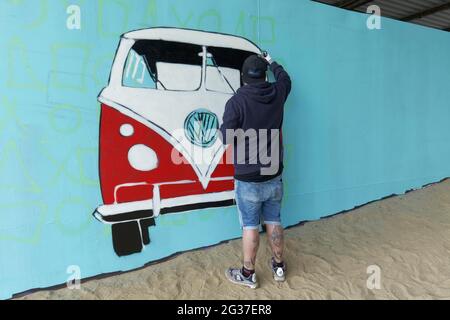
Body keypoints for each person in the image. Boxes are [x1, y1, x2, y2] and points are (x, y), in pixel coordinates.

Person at [219, 51, 292, 289]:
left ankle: (248, 274)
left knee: (250, 225)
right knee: (274, 220)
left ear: (243, 77)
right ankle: (279, 267)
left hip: (248, 178)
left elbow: (226, 138)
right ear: (264, 75)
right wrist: (272, 61)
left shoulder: (236, 102)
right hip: (273, 174)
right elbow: (286, 79)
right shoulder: (278, 92)